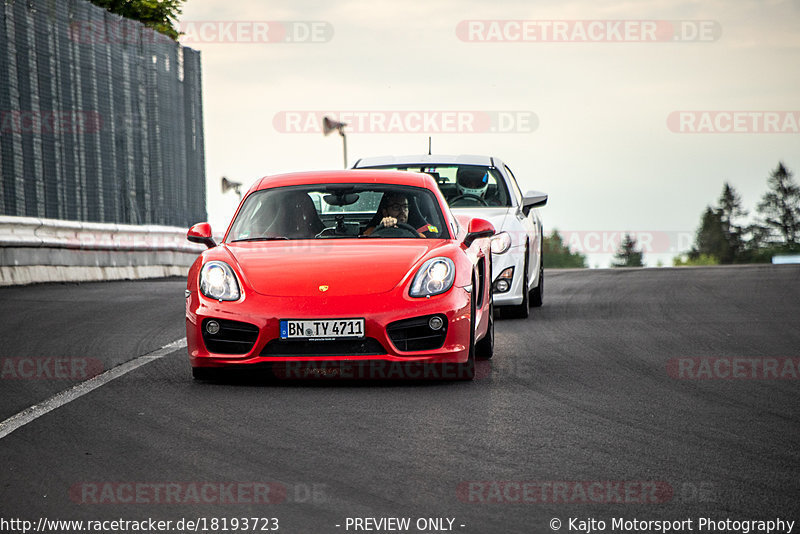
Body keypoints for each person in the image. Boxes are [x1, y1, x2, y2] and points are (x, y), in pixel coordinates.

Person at [363, 192, 430, 237]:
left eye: (405, 207)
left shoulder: (417, 233)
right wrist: (382, 227)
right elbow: (365, 241)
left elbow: (425, 243)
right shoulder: (371, 231)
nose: (402, 211)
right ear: (385, 212)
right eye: (396, 207)